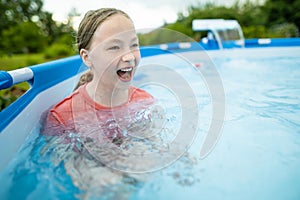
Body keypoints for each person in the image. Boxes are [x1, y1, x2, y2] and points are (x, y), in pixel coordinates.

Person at [42, 8, 157, 138]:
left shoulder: (146, 102)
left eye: (134, 45)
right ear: (87, 57)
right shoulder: (63, 118)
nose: (129, 56)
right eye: (114, 47)